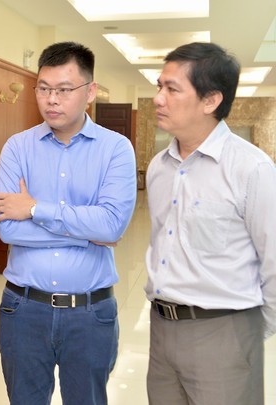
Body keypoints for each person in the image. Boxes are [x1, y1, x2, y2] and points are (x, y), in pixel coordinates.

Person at [0, 41, 137, 405]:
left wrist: (35, 208)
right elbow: (7, 228)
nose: (51, 99)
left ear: (89, 92)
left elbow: (111, 226)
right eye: (43, 88)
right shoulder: (17, 148)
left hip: (90, 313)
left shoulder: (116, 149)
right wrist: (87, 232)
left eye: (63, 90)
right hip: (24, 310)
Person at [145, 41, 276, 404]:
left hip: (225, 331)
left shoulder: (252, 169)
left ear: (210, 100)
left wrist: (242, 333)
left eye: (172, 89)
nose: (158, 98)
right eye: (159, 86)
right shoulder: (159, 167)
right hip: (161, 329)